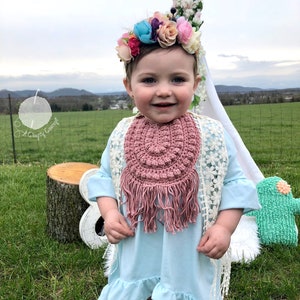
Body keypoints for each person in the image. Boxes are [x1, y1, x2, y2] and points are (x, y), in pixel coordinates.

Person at [88, 8, 260, 300]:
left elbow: (235, 185)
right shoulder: (121, 133)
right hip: (137, 245)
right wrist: (110, 211)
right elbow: (105, 176)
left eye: (178, 80)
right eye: (149, 80)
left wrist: (223, 227)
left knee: (182, 288)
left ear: (195, 83)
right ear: (129, 86)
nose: (164, 90)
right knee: (134, 284)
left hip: (187, 248)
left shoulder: (213, 135)